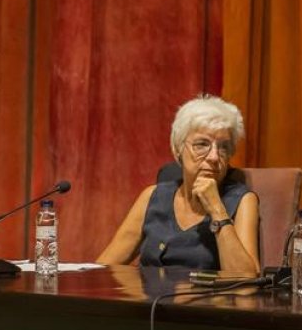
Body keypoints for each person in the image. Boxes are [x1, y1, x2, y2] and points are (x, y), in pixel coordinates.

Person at [96, 95, 260, 274]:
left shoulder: (242, 200)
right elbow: (103, 267)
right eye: (202, 144)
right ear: (178, 149)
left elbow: (247, 279)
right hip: (147, 300)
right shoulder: (153, 196)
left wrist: (216, 210)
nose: (214, 157)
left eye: (223, 147)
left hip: (204, 301)